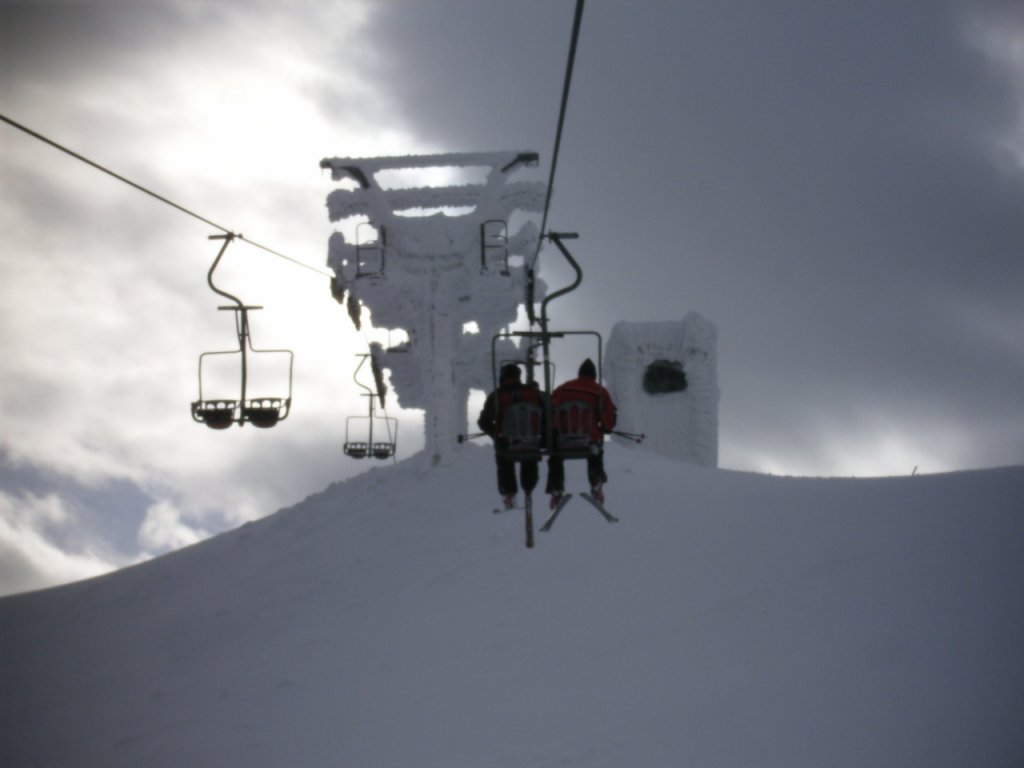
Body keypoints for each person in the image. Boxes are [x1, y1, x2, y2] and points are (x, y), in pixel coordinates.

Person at [545, 358, 617, 507]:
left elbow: (550, 412)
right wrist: (606, 427)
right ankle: (596, 483)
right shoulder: (600, 392)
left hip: (563, 442)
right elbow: (608, 421)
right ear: (594, 376)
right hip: (589, 441)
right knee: (596, 454)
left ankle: (556, 489)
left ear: (579, 374)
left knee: (555, 458)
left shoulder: (562, 389)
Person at [478, 363, 544, 509]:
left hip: (508, 443)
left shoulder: (497, 396)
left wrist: (496, 434)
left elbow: (483, 422)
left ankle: (509, 493)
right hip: (531, 441)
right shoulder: (533, 393)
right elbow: (544, 415)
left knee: (503, 458)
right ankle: (528, 489)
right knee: (529, 455)